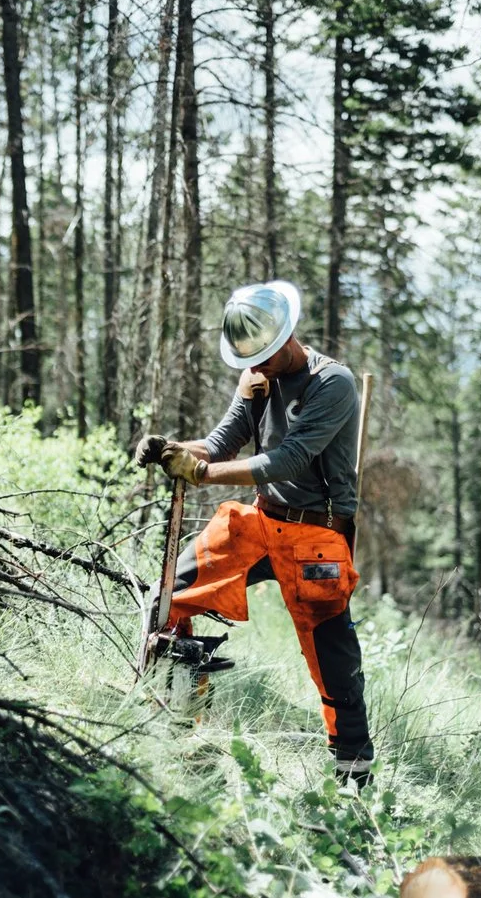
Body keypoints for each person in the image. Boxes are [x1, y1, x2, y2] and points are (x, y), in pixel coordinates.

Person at [133, 280, 373, 785]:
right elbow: (222, 444)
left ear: (287, 337)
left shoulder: (334, 384)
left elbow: (287, 460)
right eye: (250, 359)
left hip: (316, 537)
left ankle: (354, 779)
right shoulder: (256, 378)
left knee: (333, 665)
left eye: (264, 357)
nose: (256, 368)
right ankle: (181, 726)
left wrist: (198, 474)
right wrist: (175, 449)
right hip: (263, 520)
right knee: (168, 596)